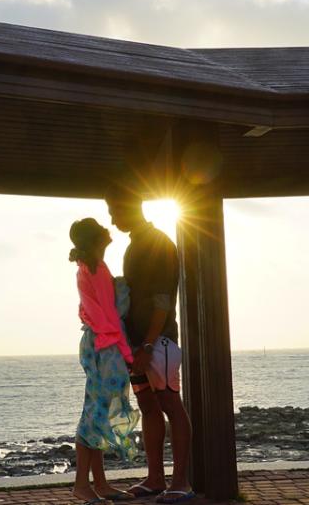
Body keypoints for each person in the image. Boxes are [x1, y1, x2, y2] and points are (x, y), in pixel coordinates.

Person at [105, 184, 194, 504]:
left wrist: (146, 346)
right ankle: (156, 478)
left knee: (171, 404)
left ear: (130, 206)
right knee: (148, 406)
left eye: (115, 212)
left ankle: (181, 481)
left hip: (159, 343)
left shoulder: (157, 243)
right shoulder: (135, 245)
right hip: (137, 345)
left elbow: (162, 300)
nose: (113, 221)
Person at [69, 217, 140, 504]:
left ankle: (99, 483)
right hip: (105, 347)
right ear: (97, 238)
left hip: (96, 344)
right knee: (94, 417)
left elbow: (87, 311)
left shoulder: (87, 268)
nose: (107, 229)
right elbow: (109, 318)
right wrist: (127, 354)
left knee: (95, 413)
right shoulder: (96, 269)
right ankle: (82, 485)